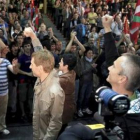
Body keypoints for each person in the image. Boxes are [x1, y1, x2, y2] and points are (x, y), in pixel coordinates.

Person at [29, 50, 65, 140]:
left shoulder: (55, 92)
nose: (30, 67)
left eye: (32, 64)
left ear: (40, 68)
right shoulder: (39, 80)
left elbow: (55, 123)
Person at [58, 53, 77, 135]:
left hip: (62, 110)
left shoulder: (63, 80)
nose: (59, 63)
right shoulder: (72, 72)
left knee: (58, 132)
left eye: (61, 62)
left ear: (66, 66)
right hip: (68, 108)